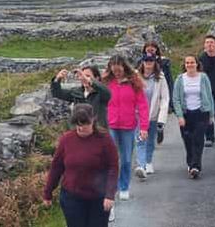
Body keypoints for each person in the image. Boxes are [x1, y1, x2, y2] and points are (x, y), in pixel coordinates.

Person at [43, 104, 118, 227]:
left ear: (93, 120)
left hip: (98, 198)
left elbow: (113, 168)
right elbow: (56, 167)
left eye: (84, 124)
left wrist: (109, 195)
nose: (81, 128)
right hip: (72, 198)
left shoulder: (105, 140)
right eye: (77, 124)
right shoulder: (66, 140)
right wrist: (48, 193)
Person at [102, 55, 149, 200]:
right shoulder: (106, 83)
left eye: (119, 70)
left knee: (127, 159)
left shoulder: (134, 83)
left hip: (128, 126)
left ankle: (124, 187)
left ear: (124, 68)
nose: (117, 73)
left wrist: (144, 127)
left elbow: (142, 106)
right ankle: (109, 188)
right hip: (111, 125)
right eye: (114, 70)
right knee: (110, 158)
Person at [172, 55, 214, 179]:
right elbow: (176, 99)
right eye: (187, 63)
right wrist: (180, 116)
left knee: (198, 139)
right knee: (188, 140)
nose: (190, 65)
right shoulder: (180, 79)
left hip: (201, 113)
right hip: (186, 114)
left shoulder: (204, 78)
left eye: (192, 62)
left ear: (197, 64)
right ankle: (190, 162)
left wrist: (211, 114)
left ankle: (196, 166)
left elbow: (209, 96)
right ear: (184, 65)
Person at [134, 53, 170, 179]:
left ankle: (148, 161)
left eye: (151, 61)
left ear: (155, 62)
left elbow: (165, 98)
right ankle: (142, 166)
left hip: (153, 114)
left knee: (150, 140)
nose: (148, 63)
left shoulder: (160, 77)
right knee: (140, 141)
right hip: (138, 115)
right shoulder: (135, 77)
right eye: (146, 60)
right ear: (142, 62)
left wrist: (162, 117)